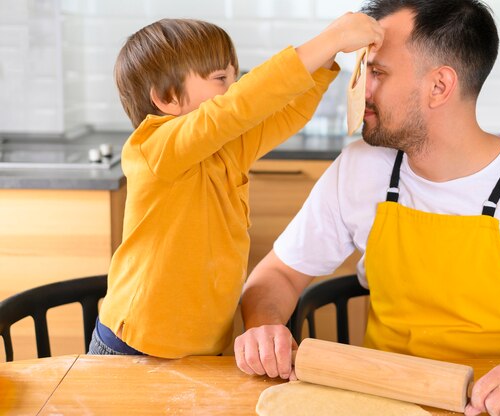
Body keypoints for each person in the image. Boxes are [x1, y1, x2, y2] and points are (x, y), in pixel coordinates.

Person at [234, 1, 500, 414]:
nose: (361, 89)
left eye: (378, 73)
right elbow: (276, 274)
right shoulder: (360, 168)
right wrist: (266, 329)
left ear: (439, 86)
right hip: (378, 402)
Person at [88, 16, 384, 358]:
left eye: (234, 78)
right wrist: (331, 39)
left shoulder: (225, 148)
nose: (234, 88)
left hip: (203, 349)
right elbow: (238, 106)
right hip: (134, 345)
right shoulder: (152, 148)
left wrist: (328, 61)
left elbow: (286, 113)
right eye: (220, 80)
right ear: (167, 97)